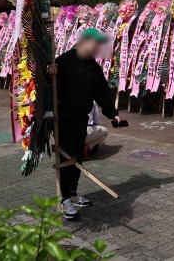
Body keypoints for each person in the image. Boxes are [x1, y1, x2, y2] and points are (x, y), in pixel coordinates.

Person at [47, 28, 120, 220]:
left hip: (81, 119)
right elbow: (47, 87)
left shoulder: (94, 68)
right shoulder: (62, 62)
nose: (97, 48)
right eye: (95, 44)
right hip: (63, 119)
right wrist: (49, 73)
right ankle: (64, 199)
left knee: (79, 155)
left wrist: (113, 114)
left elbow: (102, 92)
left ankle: (72, 192)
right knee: (67, 156)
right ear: (83, 42)